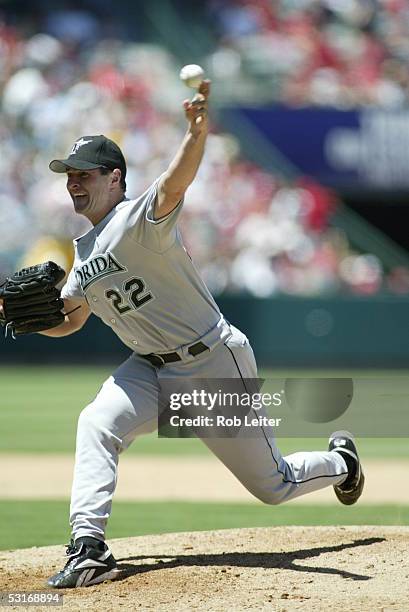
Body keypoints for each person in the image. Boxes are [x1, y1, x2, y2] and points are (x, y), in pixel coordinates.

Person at [32, 80, 363, 588]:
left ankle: (340, 461)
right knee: (97, 423)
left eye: (83, 174)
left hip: (209, 363)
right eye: (68, 176)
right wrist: (24, 316)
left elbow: (175, 182)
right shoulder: (80, 257)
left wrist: (196, 132)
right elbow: (71, 320)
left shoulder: (139, 219)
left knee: (273, 485)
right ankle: (88, 546)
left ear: (115, 178)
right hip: (146, 368)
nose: (73, 183)